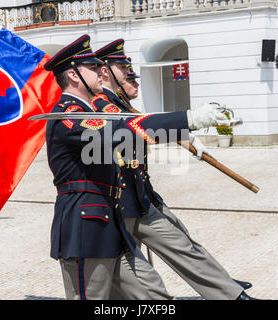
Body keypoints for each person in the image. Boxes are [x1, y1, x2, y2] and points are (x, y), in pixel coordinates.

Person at [43, 34, 233, 300]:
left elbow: (127, 128)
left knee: (153, 296)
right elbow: (121, 131)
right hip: (86, 226)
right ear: (74, 76)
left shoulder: (89, 113)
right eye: (93, 67)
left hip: (111, 223)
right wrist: (187, 119)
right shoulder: (68, 117)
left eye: (101, 66)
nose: (101, 71)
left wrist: (182, 130)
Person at [92, 39, 257, 300]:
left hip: (139, 195)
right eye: (122, 67)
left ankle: (228, 292)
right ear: (105, 71)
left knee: (180, 243)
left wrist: (182, 134)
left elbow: (143, 125)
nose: (127, 72)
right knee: (129, 277)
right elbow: (134, 129)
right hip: (120, 201)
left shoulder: (118, 103)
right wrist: (185, 124)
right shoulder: (101, 105)